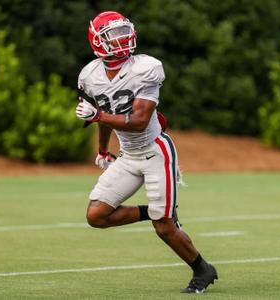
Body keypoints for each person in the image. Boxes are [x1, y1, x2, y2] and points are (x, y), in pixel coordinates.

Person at [75, 11, 218, 294]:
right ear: (97, 41)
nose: (121, 39)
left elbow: (138, 120)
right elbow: (104, 115)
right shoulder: (90, 75)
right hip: (128, 156)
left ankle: (202, 269)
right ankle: (154, 213)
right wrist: (103, 149)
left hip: (155, 152)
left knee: (164, 229)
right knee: (97, 216)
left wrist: (97, 117)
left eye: (123, 31)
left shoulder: (146, 67)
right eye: (113, 35)